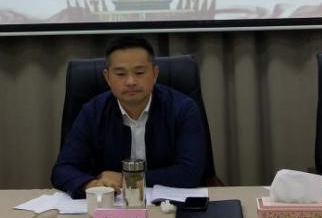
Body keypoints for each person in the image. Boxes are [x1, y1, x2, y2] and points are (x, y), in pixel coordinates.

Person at [51, 35, 206, 198]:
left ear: (155, 74)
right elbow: (62, 170)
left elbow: (190, 173)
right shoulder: (93, 112)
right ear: (107, 77)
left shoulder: (183, 109)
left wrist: (127, 179)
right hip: (112, 205)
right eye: (120, 74)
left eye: (139, 72)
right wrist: (91, 185)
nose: (131, 81)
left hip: (168, 205)